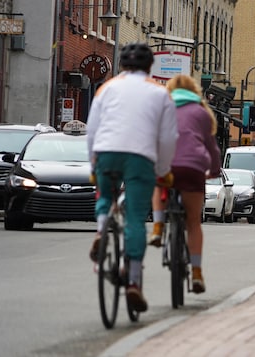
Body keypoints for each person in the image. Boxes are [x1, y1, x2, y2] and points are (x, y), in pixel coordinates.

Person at [86, 43, 178, 312]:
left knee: (105, 197)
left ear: (122, 66)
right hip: (140, 157)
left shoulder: (106, 88)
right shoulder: (161, 93)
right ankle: (134, 281)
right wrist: (162, 170)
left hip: (107, 151)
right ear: (150, 67)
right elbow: (168, 138)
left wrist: (93, 161)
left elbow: (93, 128)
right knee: (136, 218)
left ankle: (102, 229)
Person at [149, 74, 221, 294]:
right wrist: (214, 171)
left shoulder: (162, 107)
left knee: (159, 185)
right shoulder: (202, 113)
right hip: (193, 167)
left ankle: (158, 227)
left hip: (167, 164)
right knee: (193, 223)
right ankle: (197, 272)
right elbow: (212, 148)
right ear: (194, 92)